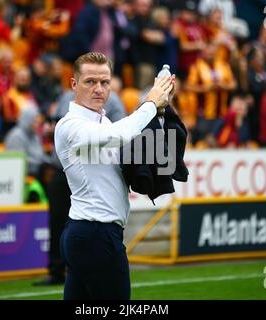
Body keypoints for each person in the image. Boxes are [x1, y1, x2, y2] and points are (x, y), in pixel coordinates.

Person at [54, 52, 174, 300]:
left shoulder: (104, 122)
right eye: (90, 82)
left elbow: (150, 152)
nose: (98, 89)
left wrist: (160, 113)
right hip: (95, 235)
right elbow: (120, 135)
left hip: (89, 234)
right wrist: (150, 103)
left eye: (105, 82)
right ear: (74, 84)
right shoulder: (70, 125)